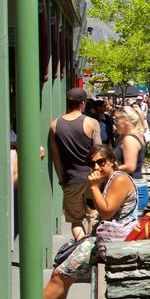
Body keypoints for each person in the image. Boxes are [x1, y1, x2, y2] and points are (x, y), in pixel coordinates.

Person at [12, 145, 138, 299]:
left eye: (101, 162)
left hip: (113, 244)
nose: (96, 167)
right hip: (108, 241)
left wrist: (94, 187)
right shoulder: (109, 179)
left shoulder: (119, 179)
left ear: (112, 161)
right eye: (91, 163)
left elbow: (106, 210)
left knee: (59, 276)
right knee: (62, 277)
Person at [51, 87, 102, 241]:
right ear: (83, 104)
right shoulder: (91, 123)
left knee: (75, 220)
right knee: (92, 217)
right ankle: (90, 253)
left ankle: (80, 248)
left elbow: (56, 156)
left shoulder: (54, 125)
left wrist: (61, 179)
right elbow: (98, 152)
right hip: (91, 179)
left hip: (70, 179)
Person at [114, 106, 150, 214]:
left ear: (127, 120)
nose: (115, 123)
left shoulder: (129, 139)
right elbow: (143, 125)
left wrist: (110, 170)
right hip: (134, 187)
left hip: (133, 188)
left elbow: (130, 167)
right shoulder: (135, 135)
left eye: (117, 120)